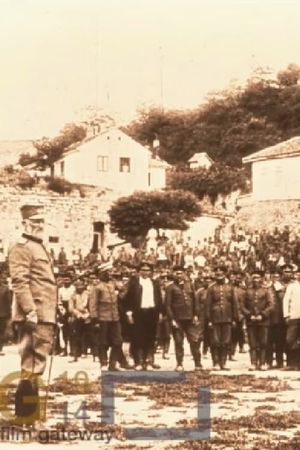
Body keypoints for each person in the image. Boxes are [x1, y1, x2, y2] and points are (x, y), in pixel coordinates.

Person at [8, 204, 57, 425]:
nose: (39, 224)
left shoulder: (39, 246)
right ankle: (27, 416)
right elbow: (20, 281)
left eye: (41, 221)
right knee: (31, 365)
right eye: (35, 221)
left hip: (45, 313)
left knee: (36, 364)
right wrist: (29, 311)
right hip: (34, 314)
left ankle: (26, 415)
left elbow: (44, 282)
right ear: (25, 222)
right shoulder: (21, 247)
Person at [124, 261, 163, 370]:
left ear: (151, 272)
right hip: (138, 313)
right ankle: (139, 362)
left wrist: (160, 312)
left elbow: (158, 299)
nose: (145, 272)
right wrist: (129, 313)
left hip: (152, 313)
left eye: (148, 270)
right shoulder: (134, 283)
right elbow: (128, 299)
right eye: (143, 270)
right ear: (139, 271)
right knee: (137, 337)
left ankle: (148, 361)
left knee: (150, 337)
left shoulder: (154, 283)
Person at [166, 266, 203, 371]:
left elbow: (195, 301)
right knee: (178, 342)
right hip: (177, 320)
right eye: (177, 273)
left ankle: (198, 363)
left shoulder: (190, 286)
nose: (179, 275)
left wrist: (196, 315)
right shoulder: (170, 288)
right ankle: (179, 364)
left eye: (181, 273)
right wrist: (172, 319)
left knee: (194, 341)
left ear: (184, 274)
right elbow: (168, 305)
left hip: (190, 319)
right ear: (174, 275)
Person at [88, 262, 124, 371]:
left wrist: (116, 281)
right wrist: (95, 319)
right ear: (102, 273)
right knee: (102, 342)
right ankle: (103, 363)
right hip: (102, 318)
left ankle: (113, 363)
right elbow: (93, 304)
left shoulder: (113, 285)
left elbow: (123, 289)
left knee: (118, 341)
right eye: (107, 272)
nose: (110, 274)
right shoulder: (97, 287)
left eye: (110, 272)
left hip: (114, 317)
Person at [206, 265, 237, 370]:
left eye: (221, 274)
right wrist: (209, 320)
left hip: (227, 318)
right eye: (217, 274)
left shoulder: (230, 288)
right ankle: (215, 363)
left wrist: (234, 319)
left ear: (224, 275)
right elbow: (208, 305)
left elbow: (234, 304)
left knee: (225, 341)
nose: (219, 276)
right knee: (215, 341)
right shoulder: (211, 289)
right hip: (215, 319)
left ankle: (223, 363)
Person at [242, 271, 274, 371]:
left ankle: (263, 362)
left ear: (261, 279)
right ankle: (253, 363)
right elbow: (242, 306)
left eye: (258, 278)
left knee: (263, 342)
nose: (256, 280)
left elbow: (271, 305)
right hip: (251, 321)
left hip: (263, 321)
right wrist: (249, 315)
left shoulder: (266, 291)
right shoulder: (247, 291)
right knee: (252, 343)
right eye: (254, 278)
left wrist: (262, 315)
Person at [0, 270, 11, 355]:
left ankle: (0, 348)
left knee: (1, 332)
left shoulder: (5, 288)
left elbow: (8, 302)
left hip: (3, 314)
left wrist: (9, 315)